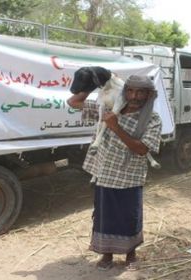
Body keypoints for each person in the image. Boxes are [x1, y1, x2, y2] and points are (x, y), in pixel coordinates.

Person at [67, 74, 162, 270]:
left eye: (140, 92)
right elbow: (73, 102)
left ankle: (131, 255)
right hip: (106, 174)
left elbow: (142, 149)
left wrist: (116, 127)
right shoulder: (109, 109)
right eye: (130, 90)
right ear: (124, 91)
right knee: (105, 217)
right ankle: (107, 255)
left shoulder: (152, 119)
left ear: (149, 95)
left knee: (130, 217)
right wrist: (96, 83)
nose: (134, 96)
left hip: (130, 177)